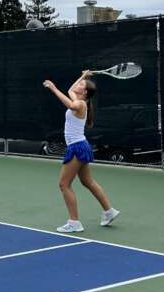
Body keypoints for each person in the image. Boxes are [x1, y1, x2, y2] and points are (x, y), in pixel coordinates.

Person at [43, 69, 120, 232]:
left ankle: (74, 222)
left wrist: (53, 88)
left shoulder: (80, 104)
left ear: (84, 92)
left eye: (81, 85)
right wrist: (83, 76)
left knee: (64, 184)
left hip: (77, 147)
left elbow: (71, 104)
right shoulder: (80, 100)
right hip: (81, 145)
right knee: (87, 182)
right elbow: (70, 90)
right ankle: (109, 211)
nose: (77, 85)